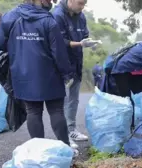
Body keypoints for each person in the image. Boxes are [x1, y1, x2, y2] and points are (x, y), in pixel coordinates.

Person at [0, 0, 76, 154]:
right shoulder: (48, 20)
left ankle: (39, 153)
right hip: (50, 74)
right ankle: (66, 151)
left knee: (33, 111)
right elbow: (58, 52)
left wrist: (17, 47)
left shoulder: (10, 17)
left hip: (22, 73)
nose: (51, 2)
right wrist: (67, 73)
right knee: (56, 111)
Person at [52, 0, 97, 148]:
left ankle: (71, 130)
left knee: (74, 99)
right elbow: (58, 41)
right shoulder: (57, 15)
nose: (82, 7)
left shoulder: (81, 16)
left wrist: (90, 42)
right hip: (62, 63)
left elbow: (84, 34)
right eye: (80, 3)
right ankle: (63, 136)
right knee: (63, 101)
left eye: (84, 4)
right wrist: (79, 44)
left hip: (77, 61)